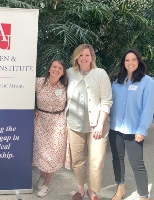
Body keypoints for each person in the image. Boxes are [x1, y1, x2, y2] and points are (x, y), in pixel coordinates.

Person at [65, 44, 112, 200]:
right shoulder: (70, 73)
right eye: (80, 55)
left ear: (92, 57)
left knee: (96, 160)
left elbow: (106, 101)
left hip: (97, 126)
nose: (83, 58)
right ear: (76, 57)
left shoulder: (100, 73)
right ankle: (80, 189)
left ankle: (92, 190)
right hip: (74, 124)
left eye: (87, 55)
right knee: (78, 160)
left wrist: (100, 124)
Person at [109, 49, 154, 200]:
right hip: (115, 128)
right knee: (117, 159)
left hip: (134, 130)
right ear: (123, 63)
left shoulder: (147, 81)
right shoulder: (117, 81)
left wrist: (142, 129)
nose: (130, 63)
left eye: (133, 59)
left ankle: (143, 195)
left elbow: (148, 107)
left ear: (139, 61)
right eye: (127, 60)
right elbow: (110, 102)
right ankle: (120, 188)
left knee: (137, 164)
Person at [32, 59, 70, 198]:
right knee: (42, 153)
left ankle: (46, 185)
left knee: (53, 155)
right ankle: (42, 176)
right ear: (49, 69)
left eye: (60, 68)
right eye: (54, 67)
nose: (56, 69)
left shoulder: (65, 86)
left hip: (58, 123)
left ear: (63, 72)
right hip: (41, 121)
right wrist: (32, 108)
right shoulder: (38, 82)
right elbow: (24, 94)